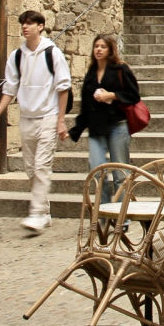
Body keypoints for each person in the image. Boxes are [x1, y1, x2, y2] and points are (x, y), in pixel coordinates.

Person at [0, 10, 71, 233]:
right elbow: (9, 88)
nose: (25, 27)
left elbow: (64, 87)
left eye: (30, 23)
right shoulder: (17, 56)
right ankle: (43, 211)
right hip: (26, 117)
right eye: (23, 24)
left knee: (42, 165)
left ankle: (36, 214)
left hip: (48, 115)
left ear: (41, 26)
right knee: (30, 168)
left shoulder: (52, 53)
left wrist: (61, 120)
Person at [68, 33, 142, 202]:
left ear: (110, 50)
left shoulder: (120, 69)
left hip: (118, 125)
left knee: (120, 173)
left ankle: (121, 218)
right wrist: (75, 130)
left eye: (103, 47)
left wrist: (112, 95)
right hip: (96, 128)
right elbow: (85, 107)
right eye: (96, 46)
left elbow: (133, 95)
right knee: (96, 171)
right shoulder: (91, 74)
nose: (99, 50)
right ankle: (104, 213)